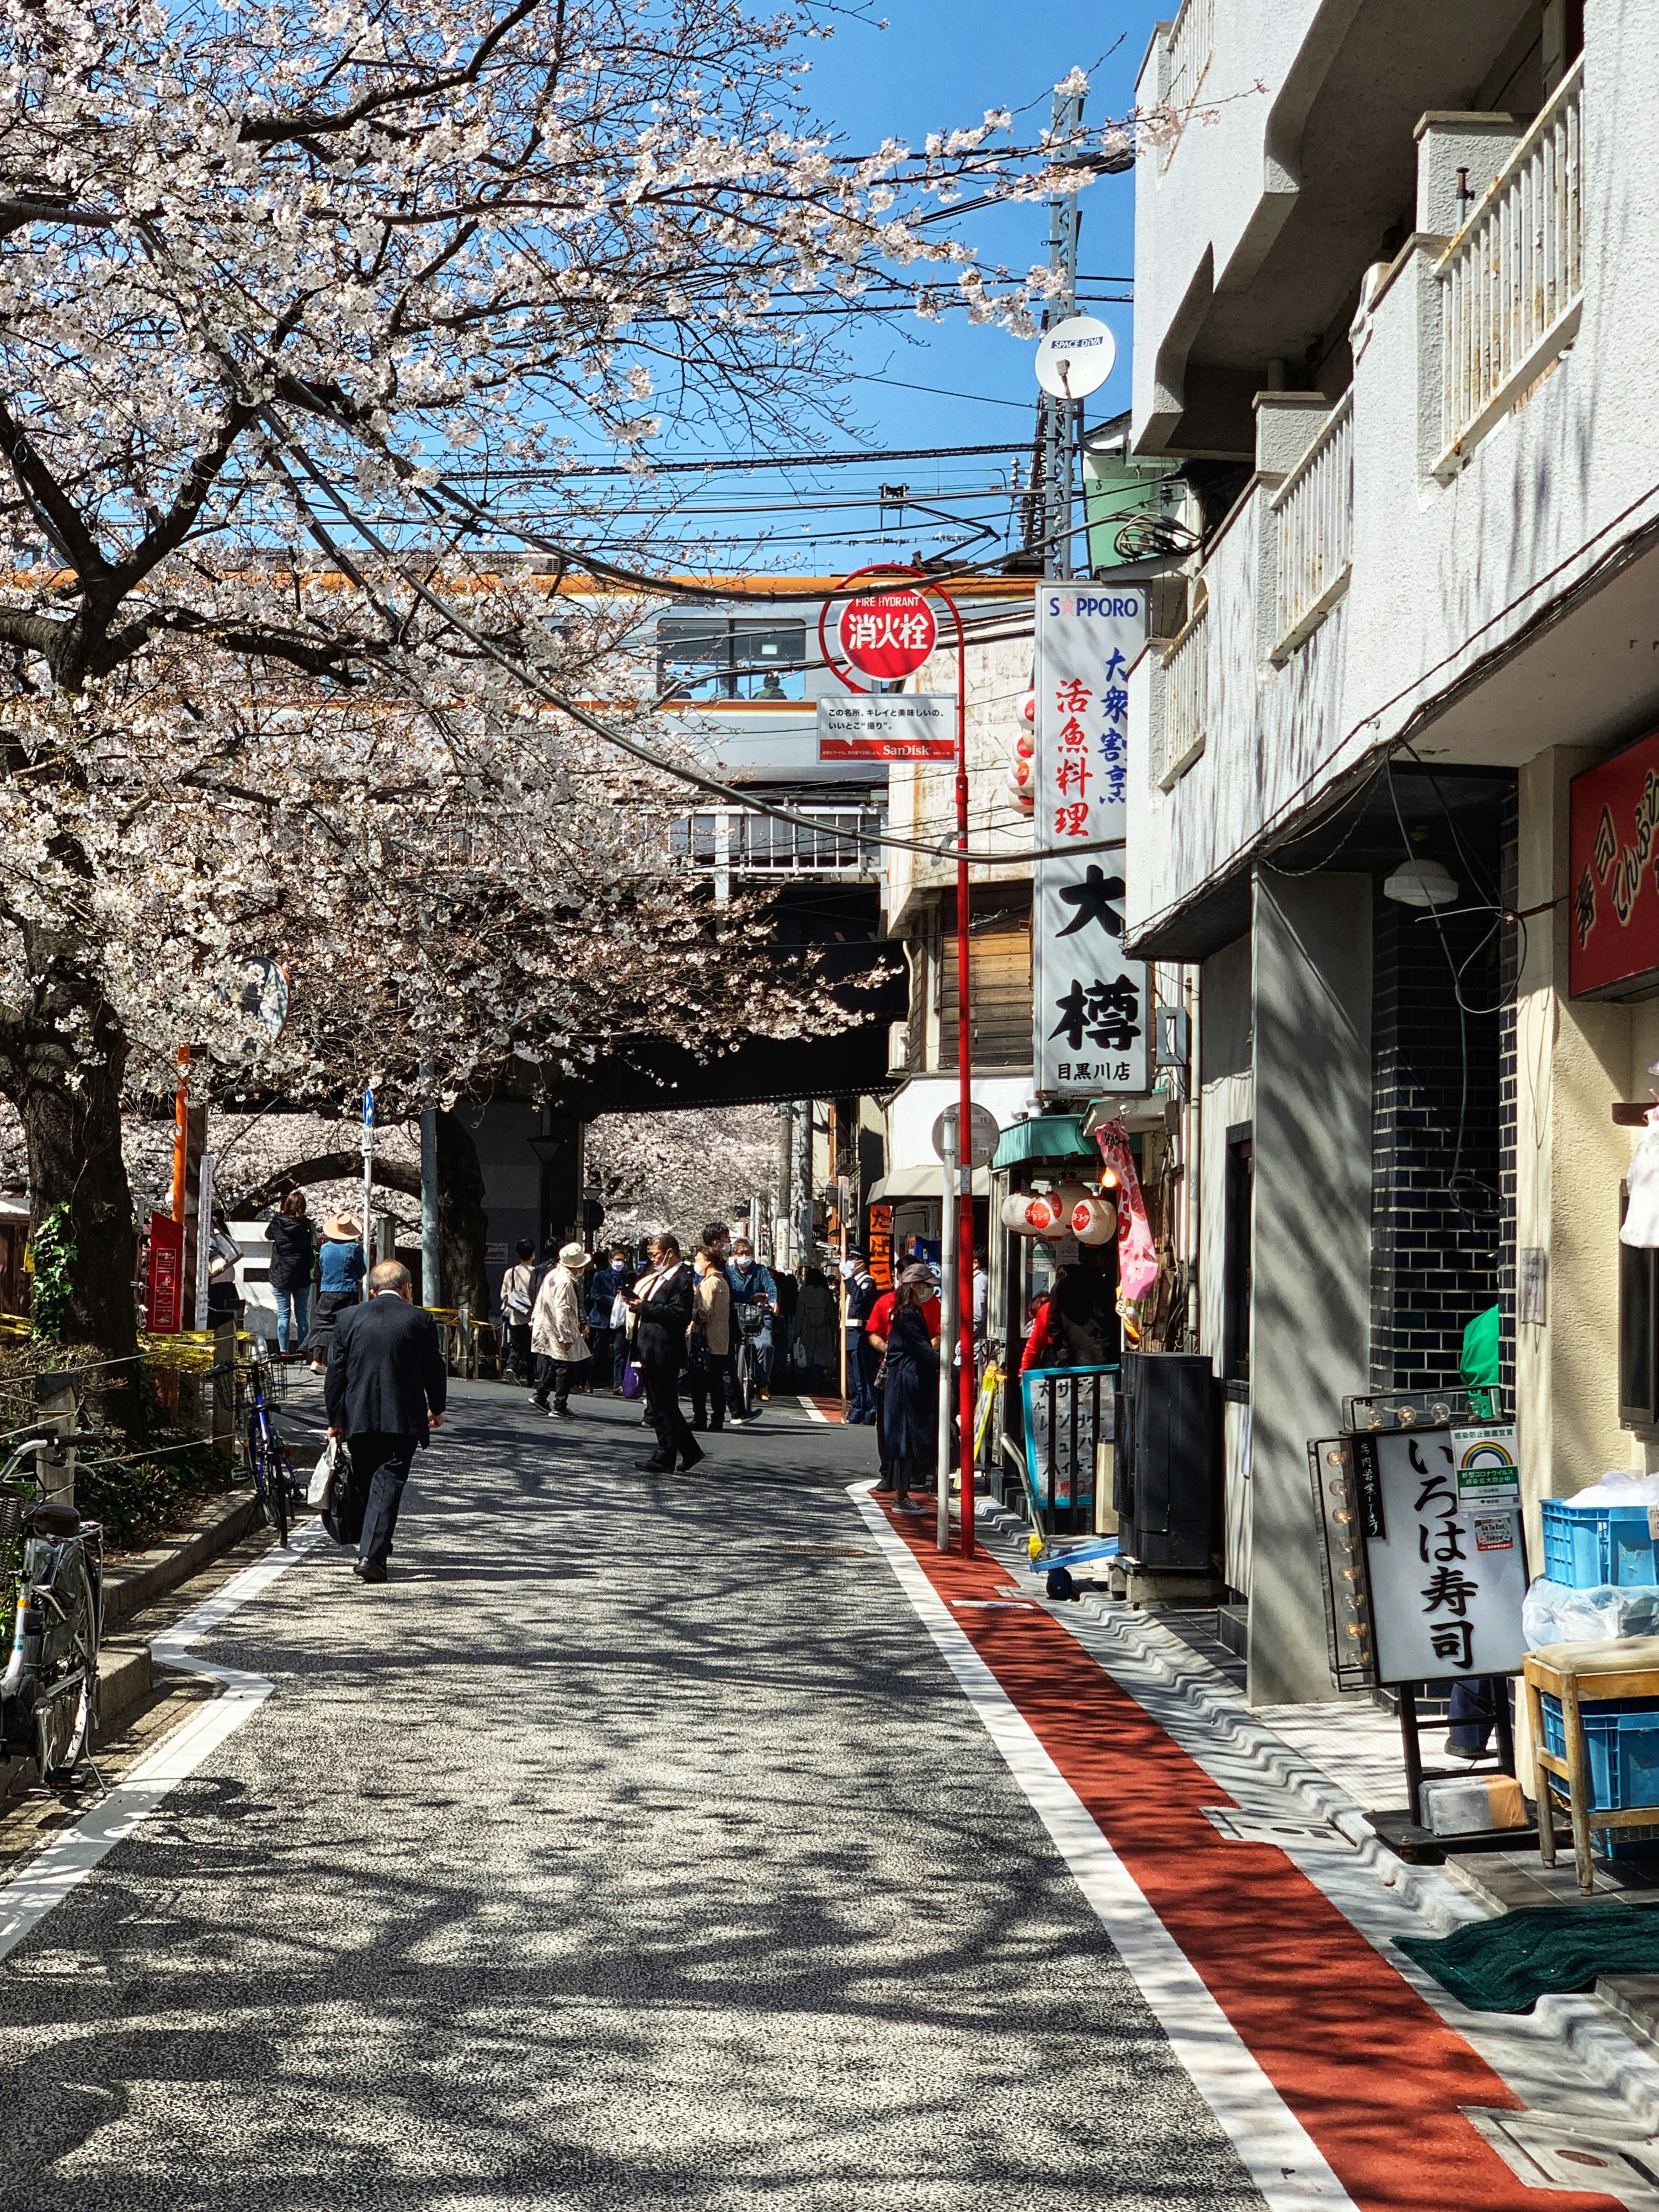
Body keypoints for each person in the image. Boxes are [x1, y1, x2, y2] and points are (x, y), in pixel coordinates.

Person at [324, 1259, 446, 1585]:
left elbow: (336, 1372)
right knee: (388, 1483)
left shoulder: (348, 1318)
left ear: (371, 1289)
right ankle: (371, 1556)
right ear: (407, 1288)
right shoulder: (419, 1320)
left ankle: (374, 1545)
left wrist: (336, 1419)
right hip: (402, 1415)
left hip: (358, 1414)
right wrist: (436, 1408)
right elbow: (434, 1368)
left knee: (368, 1480)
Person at [625, 1234, 702, 1473]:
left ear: (670, 1252)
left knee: (664, 1404)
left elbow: (679, 1313)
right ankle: (683, 1451)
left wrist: (645, 1307)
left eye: (656, 1254)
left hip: (665, 1350)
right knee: (662, 1404)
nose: (653, 1259)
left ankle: (668, 1453)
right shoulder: (659, 1278)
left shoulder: (681, 1280)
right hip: (650, 1348)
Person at [868, 1264, 941, 1489]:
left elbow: (936, 1335)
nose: (930, 1290)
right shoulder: (904, 1312)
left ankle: (911, 1479)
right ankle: (895, 1483)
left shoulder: (921, 1309)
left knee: (906, 1433)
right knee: (897, 1432)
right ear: (916, 1286)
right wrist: (945, 1364)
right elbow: (875, 1334)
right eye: (927, 1285)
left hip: (914, 1376)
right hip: (902, 1377)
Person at [530, 1241, 590, 1415]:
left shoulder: (553, 1275)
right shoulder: (565, 1281)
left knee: (555, 1363)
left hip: (547, 1324)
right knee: (565, 1366)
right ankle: (559, 1405)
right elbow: (562, 1310)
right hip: (558, 1327)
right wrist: (567, 1337)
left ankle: (541, 1395)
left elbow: (541, 1299)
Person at [308, 1212, 367, 1373]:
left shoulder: (325, 1248)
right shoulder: (354, 1248)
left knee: (322, 1324)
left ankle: (316, 1360)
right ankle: (344, 1359)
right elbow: (362, 1270)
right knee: (347, 1325)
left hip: (327, 1291)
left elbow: (322, 1268)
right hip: (348, 1292)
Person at [726, 1235, 778, 1409]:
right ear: (734, 1255)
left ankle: (763, 1383)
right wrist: (750, 1298)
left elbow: (771, 1287)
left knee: (766, 1345)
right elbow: (729, 1293)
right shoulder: (729, 1273)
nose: (744, 1256)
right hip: (737, 1316)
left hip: (759, 1316)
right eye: (740, 1253)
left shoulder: (761, 1271)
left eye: (747, 1253)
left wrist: (773, 1300)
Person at [689, 1245, 733, 1431]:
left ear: (707, 1261)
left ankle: (700, 1417)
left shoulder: (708, 1284)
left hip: (705, 1339)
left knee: (699, 1382)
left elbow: (703, 1313)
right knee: (716, 1382)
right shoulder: (722, 1282)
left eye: (698, 1260)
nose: (696, 1263)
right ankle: (718, 1418)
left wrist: (689, 1309)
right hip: (721, 1338)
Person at [266, 1189, 314, 1357]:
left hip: (281, 1275)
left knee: (284, 1314)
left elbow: (268, 1235)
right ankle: (303, 1352)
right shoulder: (307, 1225)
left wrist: (279, 1214)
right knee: (302, 1315)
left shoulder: (278, 1223)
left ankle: (284, 1351)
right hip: (301, 1274)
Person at [841, 1249, 879, 1422]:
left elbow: (859, 1300)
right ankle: (857, 1406)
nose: (850, 1262)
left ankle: (869, 1409)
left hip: (860, 1331)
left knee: (861, 1374)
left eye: (853, 1259)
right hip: (848, 1331)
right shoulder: (853, 1282)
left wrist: (849, 1278)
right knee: (852, 1375)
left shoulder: (867, 1282)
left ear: (861, 1263)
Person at [588, 1245, 629, 1390]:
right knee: (598, 1351)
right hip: (602, 1319)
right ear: (611, 1261)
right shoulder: (600, 1276)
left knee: (620, 1351)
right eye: (618, 1260)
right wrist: (613, 1300)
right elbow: (594, 1295)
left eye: (623, 1261)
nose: (621, 1263)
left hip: (619, 1320)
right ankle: (590, 1381)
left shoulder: (625, 1278)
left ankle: (618, 1384)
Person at [793, 1265, 838, 1390]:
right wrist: (833, 1328)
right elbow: (831, 1313)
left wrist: (797, 1333)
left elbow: (799, 1314)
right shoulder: (825, 1293)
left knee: (808, 1356)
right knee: (821, 1356)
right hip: (823, 1329)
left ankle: (808, 1381)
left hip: (807, 1329)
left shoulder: (804, 1293)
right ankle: (819, 1381)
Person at [499, 1237, 537, 1385]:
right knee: (531, 1350)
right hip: (532, 1318)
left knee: (516, 1347)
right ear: (533, 1254)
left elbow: (504, 1295)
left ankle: (511, 1367)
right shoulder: (536, 1273)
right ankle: (530, 1379)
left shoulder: (511, 1272)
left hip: (515, 1317)